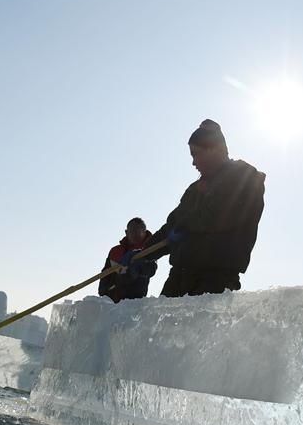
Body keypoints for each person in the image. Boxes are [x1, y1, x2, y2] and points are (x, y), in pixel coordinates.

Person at [136, 119, 265, 297]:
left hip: (215, 279)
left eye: (195, 154)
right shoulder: (194, 190)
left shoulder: (245, 177)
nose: (193, 163)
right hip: (179, 278)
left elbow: (221, 216)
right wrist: (143, 255)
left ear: (214, 149)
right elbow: (172, 226)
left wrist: (185, 224)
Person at [98, 217, 157, 302]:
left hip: (133, 301)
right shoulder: (115, 251)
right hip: (112, 298)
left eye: (138, 232)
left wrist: (138, 261)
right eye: (131, 232)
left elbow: (151, 270)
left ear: (144, 232)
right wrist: (103, 291)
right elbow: (105, 273)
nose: (134, 235)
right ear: (126, 232)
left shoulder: (149, 251)